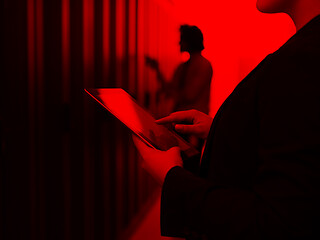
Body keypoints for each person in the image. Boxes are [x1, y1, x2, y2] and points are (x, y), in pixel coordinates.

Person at [133, 0, 320, 239]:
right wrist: (227, 131)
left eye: (182, 39)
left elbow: (278, 223)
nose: (179, 43)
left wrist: (172, 178)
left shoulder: (301, 60)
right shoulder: (304, 54)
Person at [146, 25, 213, 115]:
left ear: (190, 41)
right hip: (182, 120)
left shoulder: (204, 65)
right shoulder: (182, 67)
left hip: (194, 122)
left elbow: (189, 96)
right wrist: (157, 69)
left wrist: (171, 93)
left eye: (182, 39)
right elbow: (169, 88)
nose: (179, 43)